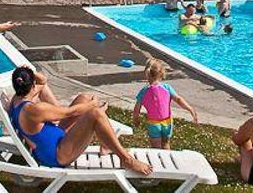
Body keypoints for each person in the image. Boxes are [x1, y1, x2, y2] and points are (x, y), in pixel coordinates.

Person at [9, 67, 153, 174]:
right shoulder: (35, 110)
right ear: (32, 85)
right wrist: (93, 104)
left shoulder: (18, 100)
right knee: (95, 113)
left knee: (83, 98)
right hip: (57, 155)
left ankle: (106, 146)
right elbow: (70, 112)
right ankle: (126, 159)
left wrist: (30, 75)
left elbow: (44, 82)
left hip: (56, 140)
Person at [132, 58, 198, 149]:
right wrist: (190, 109)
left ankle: (157, 162)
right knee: (166, 144)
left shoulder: (144, 91)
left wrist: (136, 119)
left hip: (153, 123)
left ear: (147, 74)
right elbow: (178, 99)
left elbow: (137, 108)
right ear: (161, 73)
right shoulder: (167, 88)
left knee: (156, 147)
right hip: (167, 122)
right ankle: (167, 160)